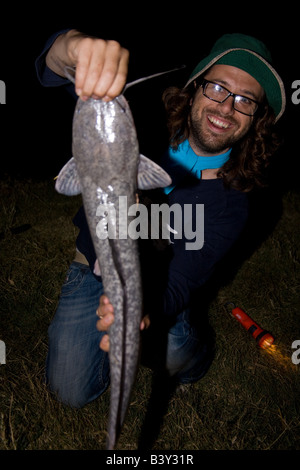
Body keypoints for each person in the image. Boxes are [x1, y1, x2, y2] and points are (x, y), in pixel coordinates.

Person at [36, 30, 285, 408]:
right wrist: (73, 48)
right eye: (218, 87)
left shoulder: (234, 204)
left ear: (256, 118)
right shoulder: (138, 117)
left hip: (159, 286)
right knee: (68, 391)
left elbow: (180, 280)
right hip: (96, 267)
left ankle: (190, 358)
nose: (226, 107)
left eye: (245, 100)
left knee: (177, 352)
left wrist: (141, 310)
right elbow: (54, 67)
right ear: (196, 86)